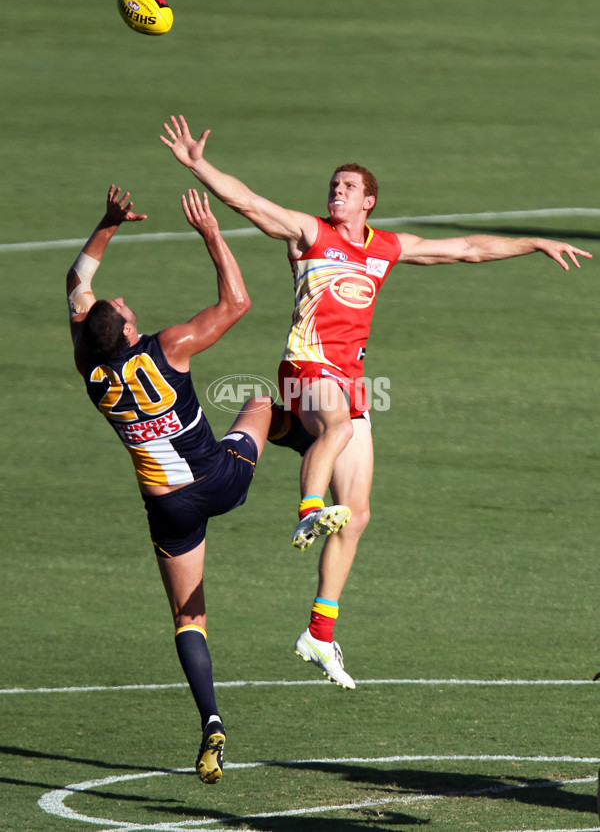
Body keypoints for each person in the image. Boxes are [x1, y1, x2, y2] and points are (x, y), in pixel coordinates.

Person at [160, 114, 592, 690]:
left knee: (358, 514)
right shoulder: (309, 234)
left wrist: (532, 242)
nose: (335, 192)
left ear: (369, 202)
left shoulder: (387, 247)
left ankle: (318, 632)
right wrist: (199, 165)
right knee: (335, 427)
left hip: (350, 379)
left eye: (347, 187)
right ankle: (308, 509)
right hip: (305, 368)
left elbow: (464, 248)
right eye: (332, 185)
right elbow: (250, 202)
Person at [67, 184, 276, 783]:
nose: (127, 302)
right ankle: (319, 479)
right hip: (219, 478)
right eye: (126, 309)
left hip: (169, 510)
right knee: (262, 403)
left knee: (190, 619)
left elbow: (74, 290)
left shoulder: (90, 369)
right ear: (130, 333)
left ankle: (211, 720)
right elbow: (237, 303)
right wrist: (212, 233)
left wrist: (105, 226)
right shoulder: (170, 347)